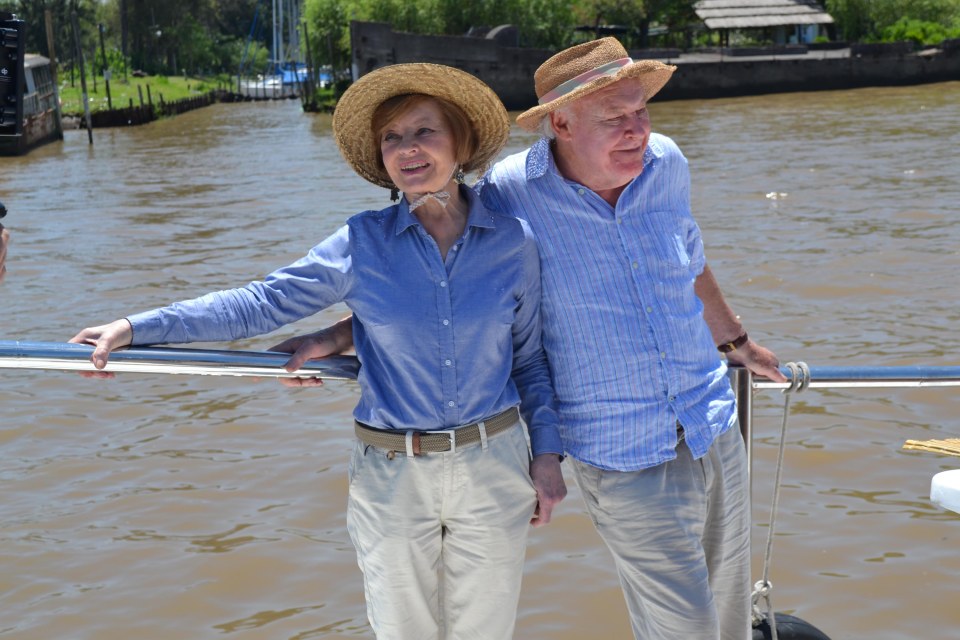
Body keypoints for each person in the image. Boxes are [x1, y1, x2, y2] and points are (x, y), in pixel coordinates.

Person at [279, 39, 788, 640]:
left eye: (641, 112)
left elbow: (691, 260)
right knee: (687, 628)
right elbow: (450, 280)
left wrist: (737, 345)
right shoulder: (507, 194)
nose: (637, 131)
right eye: (615, 118)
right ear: (561, 123)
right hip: (620, 447)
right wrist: (348, 330)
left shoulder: (668, 163)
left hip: (712, 420)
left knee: (728, 614)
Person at [70, 63, 566, 640]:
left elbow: (530, 360)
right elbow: (259, 303)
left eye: (424, 131)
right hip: (392, 473)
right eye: (391, 138)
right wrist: (136, 327)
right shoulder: (360, 243)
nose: (407, 149)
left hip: (495, 464)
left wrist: (548, 455)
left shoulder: (513, 242)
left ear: (461, 142)